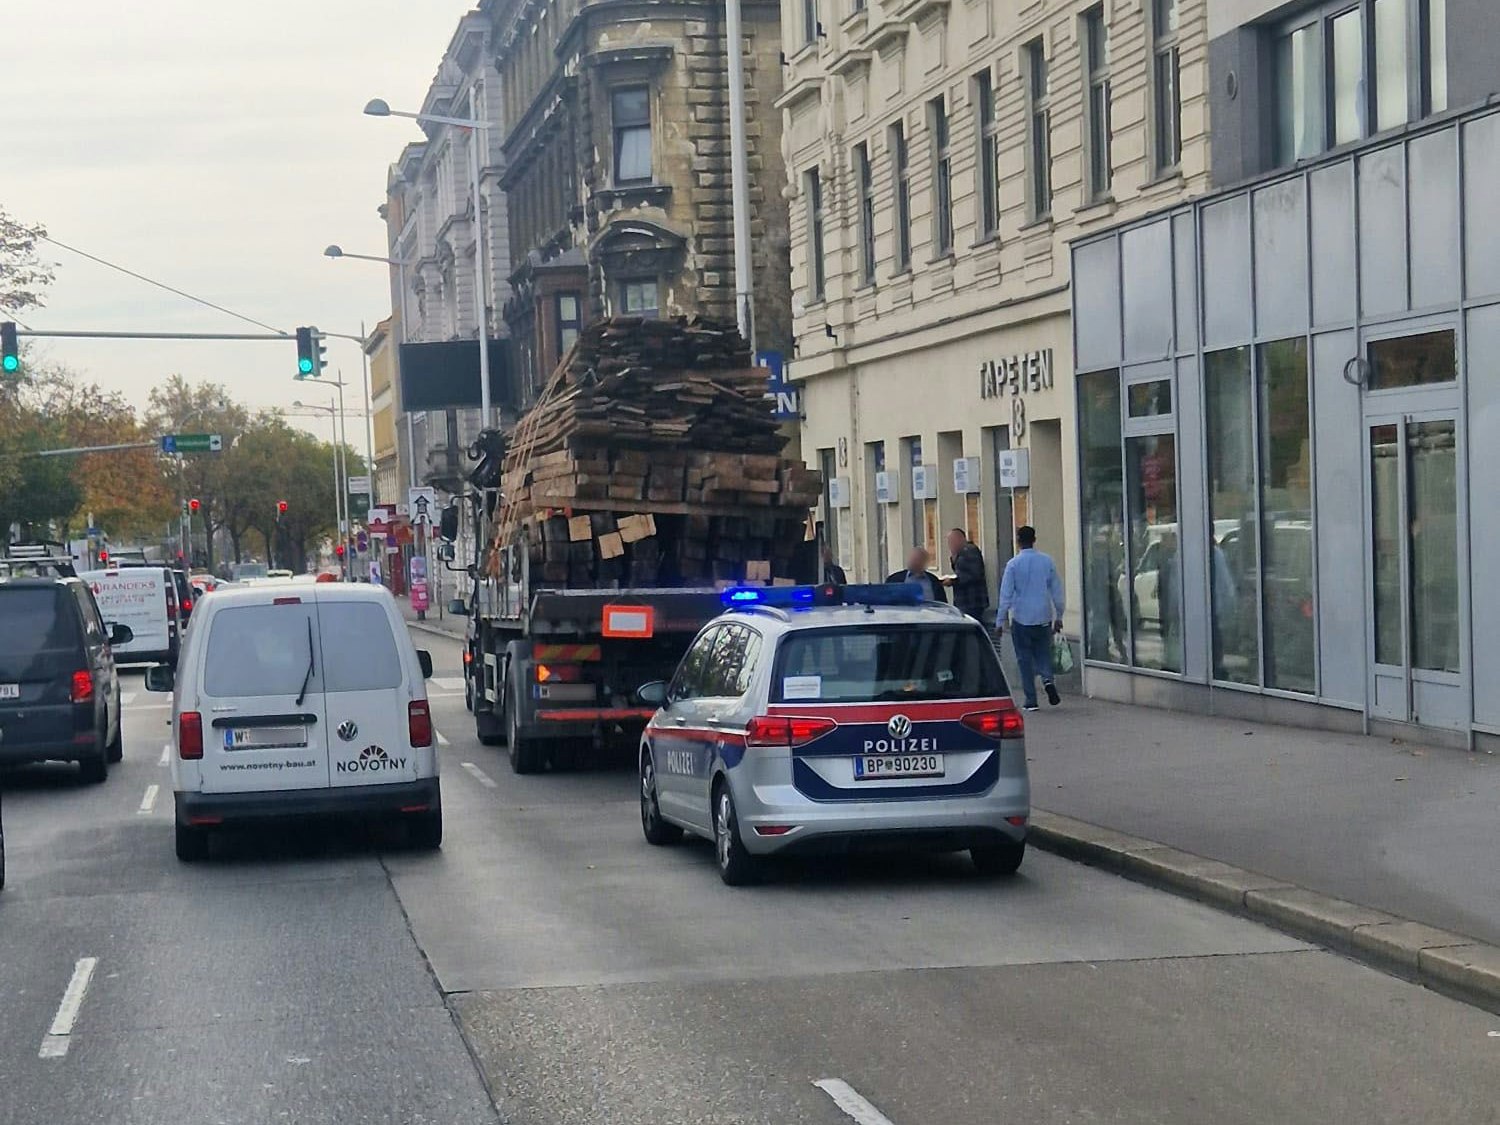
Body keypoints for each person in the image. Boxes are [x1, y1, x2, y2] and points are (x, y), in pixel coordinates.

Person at [995, 525, 1065, 711]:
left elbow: (1006, 595)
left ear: (1018, 541)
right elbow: (1057, 590)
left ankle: (1031, 699)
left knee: (1024, 658)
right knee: (1043, 653)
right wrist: (1059, 615)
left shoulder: (1013, 565)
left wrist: (1000, 620)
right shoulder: (1047, 561)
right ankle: (1048, 679)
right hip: (1043, 615)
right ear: (1034, 539)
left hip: (1021, 617)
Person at [943, 528, 989, 620]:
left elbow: (974, 574)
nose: (950, 544)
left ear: (961, 539)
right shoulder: (959, 553)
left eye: (952, 541)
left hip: (972, 600)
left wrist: (953, 581)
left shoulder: (970, 550)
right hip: (964, 600)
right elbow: (957, 569)